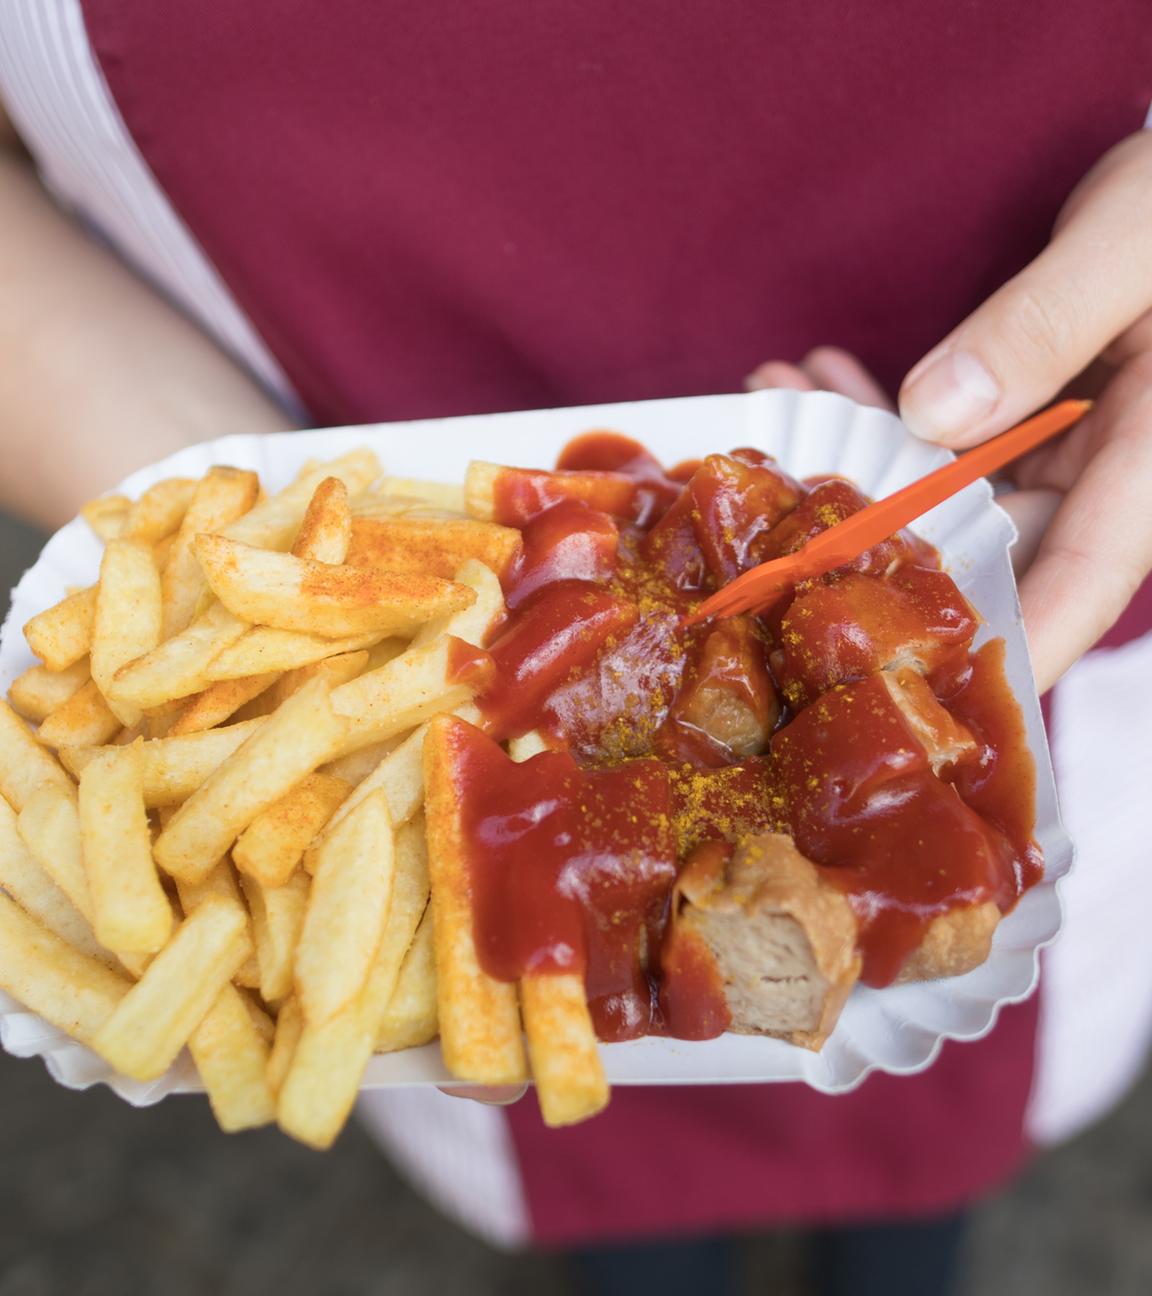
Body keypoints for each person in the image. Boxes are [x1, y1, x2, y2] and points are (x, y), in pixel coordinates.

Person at [1, 4, 1151, 1293]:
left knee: (921, 1195)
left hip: (1068, 565)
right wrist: (296, 524)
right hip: (394, 738)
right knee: (617, 1216)